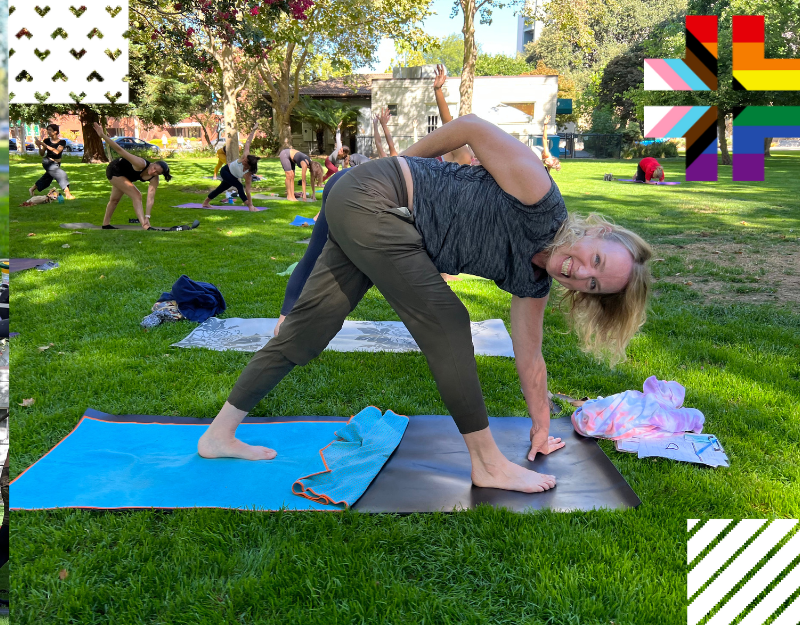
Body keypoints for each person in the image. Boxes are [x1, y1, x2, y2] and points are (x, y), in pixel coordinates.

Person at [200, 114, 654, 494]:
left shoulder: (532, 282)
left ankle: (217, 435)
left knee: (307, 331)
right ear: (598, 232)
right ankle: (487, 463)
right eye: (594, 259)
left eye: (593, 285)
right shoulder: (539, 197)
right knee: (449, 321)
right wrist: (399, 163)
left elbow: (530, 358)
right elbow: (473, 127)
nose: (580, 272)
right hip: (374, 198)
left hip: (370, 212)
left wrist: (540, 428)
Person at [272, 108, 399, 336]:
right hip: (356, 190)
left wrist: (382, 125)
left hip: (339, 183)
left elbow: (384, 148)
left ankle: (283, 322)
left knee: (312, 255)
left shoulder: (394, 164)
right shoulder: (407, 176)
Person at [89, 123, 171, 229]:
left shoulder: (154, 179)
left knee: (114, 199)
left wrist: (148, 216)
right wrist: (103, 136)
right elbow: (120, 150)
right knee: (137, 195)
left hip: (125, 176)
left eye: (157, 173)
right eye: (154, 168)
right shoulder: (141, 163)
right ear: (153, 163)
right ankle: (145, 226)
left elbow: (151, 198)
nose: (153, 172)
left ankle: (105, 224)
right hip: (115, 170)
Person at [202, 136, 260, 211]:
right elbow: (248, 143)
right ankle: (249, 206)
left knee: (220, 189)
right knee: (239, 186)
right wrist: (253, 131)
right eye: (244, 159)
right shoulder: (245, 156)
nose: (243, 161)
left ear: (249, 166)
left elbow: (248, 191)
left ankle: (206, 203)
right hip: (225, 171)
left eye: (245, 162)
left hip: (232, 177)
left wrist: (251, 203)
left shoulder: (248, 175)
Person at [28, 123, 75, 200]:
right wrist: (40, 146)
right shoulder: (46, 141)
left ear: (55, 131)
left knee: (47, 178)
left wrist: (43, 144)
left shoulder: (62, 142)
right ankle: (68, 194)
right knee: (61, 174)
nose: (48, 132)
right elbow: (42, 154)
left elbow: (56, 152)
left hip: (56, 163)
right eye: (47, 130)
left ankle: (32, 189)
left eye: (50, 130)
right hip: (47, 162)